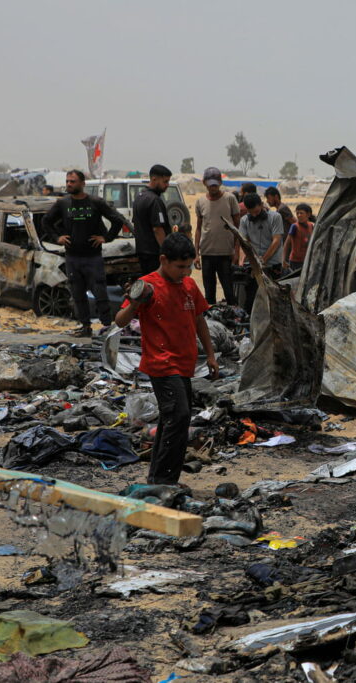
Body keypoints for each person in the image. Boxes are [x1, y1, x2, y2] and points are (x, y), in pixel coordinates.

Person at [115, 233, 218, 485]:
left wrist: (211, 354)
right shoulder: (147, 286)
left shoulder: (189, 286)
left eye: (189, 267)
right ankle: (164, 481)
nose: (185, 272)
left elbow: (199, 320)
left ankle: (158, 478)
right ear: (163, 260)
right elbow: (120, 320)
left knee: (172, 418)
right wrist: (136, 303)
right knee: (180, 416)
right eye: (180, 267)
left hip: (185, 363)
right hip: (161, 363)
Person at [42, 170, 130, 337]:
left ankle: (106, 327)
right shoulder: (63, 204)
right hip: (72, 257)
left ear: (82, 183)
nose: (69, 184)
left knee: (100, 293)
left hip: (93, 257)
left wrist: (106, 238)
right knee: (78, 294)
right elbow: (46, 222)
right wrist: (56, 237)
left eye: (73, 181)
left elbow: (118, 220)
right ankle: (85, 327)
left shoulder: (95, 202)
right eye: (67, 181)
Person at [194, 167, 241, 306]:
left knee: (229, 291)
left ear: (220, 183)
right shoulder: (200, 201)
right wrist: (196, 253)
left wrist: (236, 251)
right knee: (209, 293)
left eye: (215, 184)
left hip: (226, 253)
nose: (213, 187)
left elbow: (237, 228)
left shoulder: (230, 199)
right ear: (204, 183)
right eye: (210, 185)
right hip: (207, 253)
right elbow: (198, 229)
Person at [238, 193, 285, 313]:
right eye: (251, 212)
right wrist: (242, 261)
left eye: (257, 211)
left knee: (274, 300)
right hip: (254, 266)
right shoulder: (244, 221)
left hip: (272, 265)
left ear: (262, 205)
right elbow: (243, 242)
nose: (254, 215)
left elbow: (276, 241)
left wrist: (262, 260)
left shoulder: (275, 217)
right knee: (252, 299)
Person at [133, 164, 175, 275]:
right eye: (165, 181)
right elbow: (158, 229)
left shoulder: (139, 196)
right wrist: (166, 252)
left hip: (143, 252)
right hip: (154, 254)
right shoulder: (154, 200)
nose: (167, 185)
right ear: (154, 179)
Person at [283, 203, 315, 273]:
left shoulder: (311, 226)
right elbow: (286, 244)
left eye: (301, 213)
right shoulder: (294, 226)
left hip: (306, 260)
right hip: (295, 261)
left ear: (308, 214)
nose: (299, 215)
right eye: (297, 213)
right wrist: (284, 260)